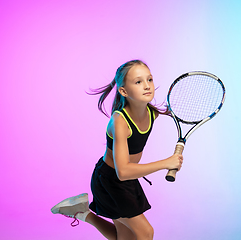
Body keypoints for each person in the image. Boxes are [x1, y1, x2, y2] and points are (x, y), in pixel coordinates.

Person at [51, 60, 183, 240]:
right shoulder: (119, 122)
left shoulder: (152, 113)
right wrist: (166, 163)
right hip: (110, 180)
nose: (147, 86)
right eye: (138, 82)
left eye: (149, 79)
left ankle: (82, 212)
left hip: (126, 180)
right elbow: (123, 171)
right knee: (145, 233)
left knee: (124, 237)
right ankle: (83, 213)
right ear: (123, 91)